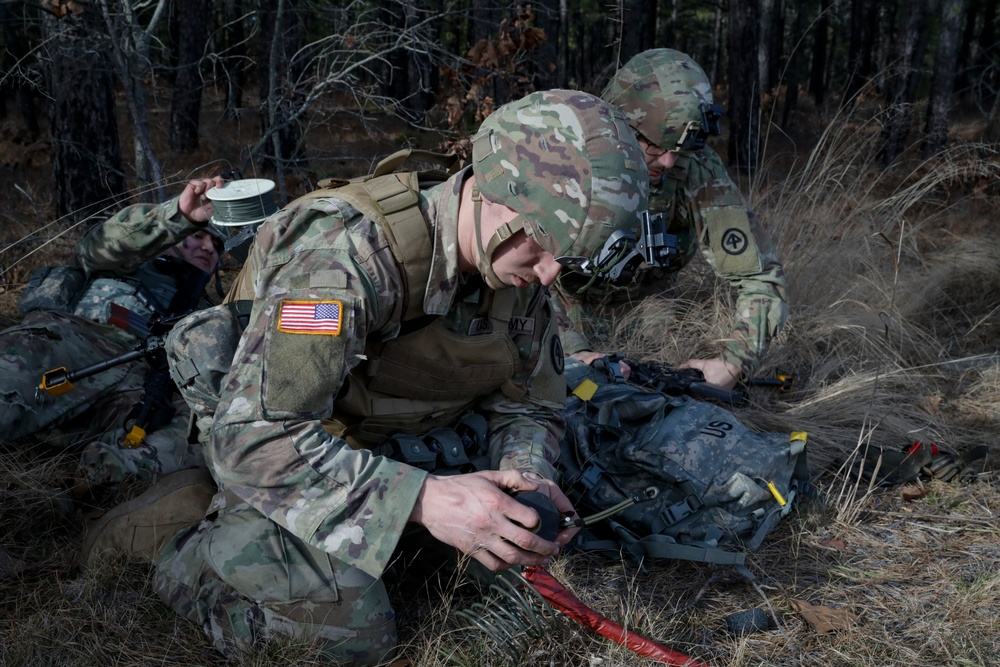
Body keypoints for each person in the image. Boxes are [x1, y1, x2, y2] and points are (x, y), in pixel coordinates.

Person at [81, 89, 649, 664]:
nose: (550, 273)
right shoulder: (343, 258)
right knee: (348, 641)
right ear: (497, 191)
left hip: (401, 451)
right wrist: (427, 502)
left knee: (511, 587)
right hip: (295, 457)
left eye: (568, 258)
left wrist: (522, 474)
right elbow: (255, 437)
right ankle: (177, 543)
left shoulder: (516, 272)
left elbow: (529, 405)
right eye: (546, 245)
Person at [553, 48, 788, 390]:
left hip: (650, 305)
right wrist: (574, 349)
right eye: (655, 147)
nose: (667, 162)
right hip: (560, 306)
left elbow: (760, 276)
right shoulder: (566, 156)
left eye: (679, 150)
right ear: (620, 125)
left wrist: (735, 362)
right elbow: (522, 274)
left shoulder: (694, 168)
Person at [1, 178, 225, 491]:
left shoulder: (211, 310)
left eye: (217, 246)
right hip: (75, 341)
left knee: (199, 432)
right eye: (200, 236)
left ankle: (82, 486)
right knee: (18, 364)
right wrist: (180, 218)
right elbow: (102, 242)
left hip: (137, 385)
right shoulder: (128, 259)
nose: (207, 247)